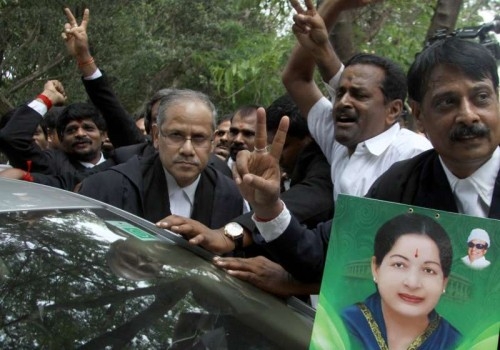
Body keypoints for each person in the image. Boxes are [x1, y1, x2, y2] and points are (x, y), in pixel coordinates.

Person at [225, 34, 500, 284]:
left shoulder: (405, 150)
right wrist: (269, 207)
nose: (468, 115)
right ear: (419, 115)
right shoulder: (399, 185)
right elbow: (325, 256)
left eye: (481, 97)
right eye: (446, 102)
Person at [157, 94, 333, 298]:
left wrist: (226, 235)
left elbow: (310, 201)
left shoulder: (325, 169)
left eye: (283, 146)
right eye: (175, 135)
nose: (276, 156)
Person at [283, 0, 431, 200]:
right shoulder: (340, 141)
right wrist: (333, 6)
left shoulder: (416, 155)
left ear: (393, 110)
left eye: (360, 95)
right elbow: (296, 79)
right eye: (340, 93)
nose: (343, 102)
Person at [79, 89, 246, 227]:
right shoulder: (106, 188)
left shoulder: (230, 196)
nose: (187, 149)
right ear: (156, 136)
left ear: (212, 141)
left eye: (199, 138)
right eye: (176, 135)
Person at [341, 213, 460, 349]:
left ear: (444, 282)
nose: (413, 283)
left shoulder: (457, 344)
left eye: (428, 270)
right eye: (399, 265)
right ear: (375, 268)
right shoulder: (342, 326)